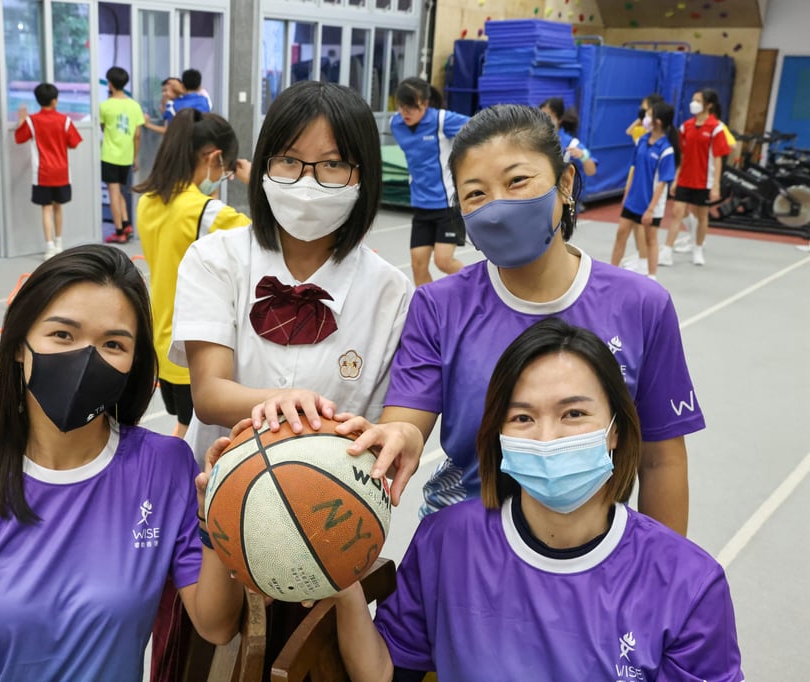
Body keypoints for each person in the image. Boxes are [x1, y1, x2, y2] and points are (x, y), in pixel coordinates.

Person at [0, 245, 244, 681]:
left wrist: (219, 508)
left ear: (133, 363)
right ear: (18, 345)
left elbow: (216, 624)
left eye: (113, 343)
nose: (86, 358)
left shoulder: (164, 467)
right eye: (63, 335)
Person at [351, 104, 702, 536]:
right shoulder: (438, 306)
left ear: (565, 182)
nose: (497, 208)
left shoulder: (642, 305)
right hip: (466, 547)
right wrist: (399, 437)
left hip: (592, 551)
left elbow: (660, 458)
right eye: (476, 194)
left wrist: (665, 574)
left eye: (517, 181)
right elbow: (405, 422)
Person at [334, 319, 743, 681]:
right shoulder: (446, 541)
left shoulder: (691, 583)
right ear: (499, 435)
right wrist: (340, 578)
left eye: (574, 415)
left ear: (616, 430)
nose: (548, 438)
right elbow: (387, 671)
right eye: (523, 418)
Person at [168, 79, 414, 676]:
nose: (308, 182)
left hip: (329, 518)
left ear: (363, 176)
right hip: (225, 511)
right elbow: (209, 395)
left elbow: (383, 427)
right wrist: (288, 400)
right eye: (289, 160)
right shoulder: (215, 259)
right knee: (216, 644)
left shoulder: (391, 291)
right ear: (263, 162)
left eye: (333, 165)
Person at [134, 109, 252, 439]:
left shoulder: (148, 201)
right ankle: (171, 486)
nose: (224, 178)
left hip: (161, 342)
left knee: (185, 423)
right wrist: (255, 180)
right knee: (194, 435)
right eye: (225, 171)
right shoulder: (209, 214)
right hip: (197, 348)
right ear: (214, 158)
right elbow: (272, 241)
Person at [391, 77, 470, 287]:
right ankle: (426, 308)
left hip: (447, 206)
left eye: (411, 107)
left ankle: (477, 288)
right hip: (421, 205)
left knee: (443, 261)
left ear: (425, 104)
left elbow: (479, 127)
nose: (405, 112)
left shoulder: (442, 120)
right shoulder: (396, 124)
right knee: (418, 265)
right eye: (401, 106)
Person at [660, 88, 731, 267]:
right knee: (677, 213)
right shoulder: (686, 127)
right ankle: (667, 251)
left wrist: (715, 185)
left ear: (709, 105)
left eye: (698, 101)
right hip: (685, 178)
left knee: (701, 216)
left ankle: (697, 248)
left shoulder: (716, 128)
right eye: (693, 100)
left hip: (704, 181)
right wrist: (677, 177)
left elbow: (718, 157)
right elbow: (683, 156)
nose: (694, 104)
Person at [610, 102, 680, 281]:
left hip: (651, 204)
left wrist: (651, 209)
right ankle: (611, 272)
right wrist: (627, 194)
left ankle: (652, 277)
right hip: (634, 199)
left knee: (650, 239)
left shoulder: (666, 150)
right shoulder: (642, 141)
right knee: (621, 234)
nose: (645, 118)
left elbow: (663, 182)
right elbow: (634, 168)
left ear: (657, 121)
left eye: (648, 115)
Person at [14, 82, 83, 260]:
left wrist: (21, 120)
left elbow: (19, 138)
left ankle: (49, 247)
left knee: (46, 208)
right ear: (55, 101)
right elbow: (74, 144)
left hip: (42, 173)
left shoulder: (32, 121)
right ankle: (60, 244)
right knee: (58, 208)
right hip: (61, 172)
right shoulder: (65, 120)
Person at [100, 66, 145, 244]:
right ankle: (126, 224)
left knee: (113, 192)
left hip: (110, 155)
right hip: (127, 156)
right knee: (120, 192)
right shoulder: (134, 106)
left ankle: (119, 231)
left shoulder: (104, 106)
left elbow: (103, 128)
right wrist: (135, 157)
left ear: (110, 84)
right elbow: (137, 135)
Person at [622, 93, 667, 270]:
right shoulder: (642, 132)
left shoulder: (660, 139)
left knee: (642, 225)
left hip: (647, 179)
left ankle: (644, 260)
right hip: (635, 173)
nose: (642, 111)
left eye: (646, 108)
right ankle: (641, 257)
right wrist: (641, 119)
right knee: (633, 223)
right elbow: (628, 131)